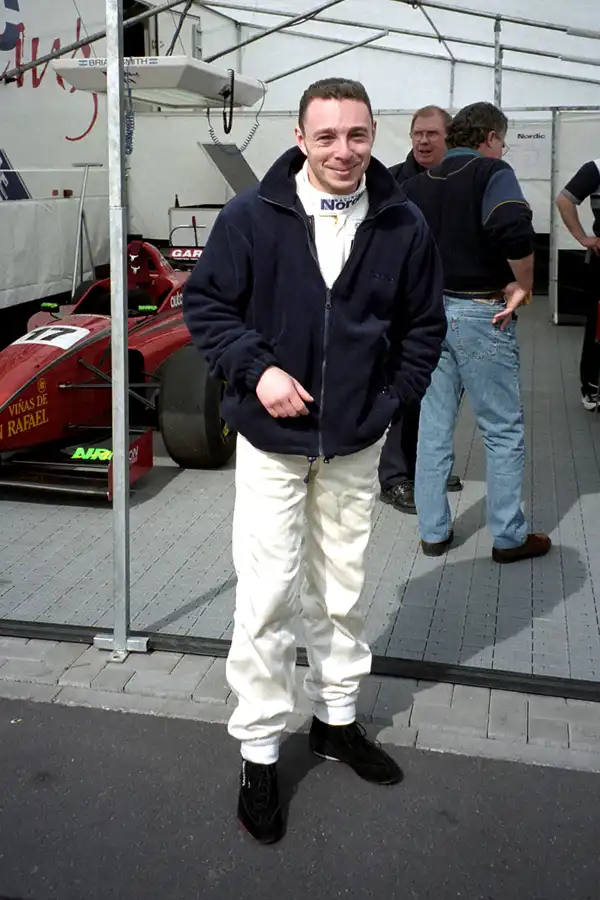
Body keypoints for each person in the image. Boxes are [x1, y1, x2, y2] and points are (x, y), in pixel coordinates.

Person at [182, 77, 446, 844]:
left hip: (355, 443)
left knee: (342, 587)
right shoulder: (252, 215)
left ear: (374, 135)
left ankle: (335, 720)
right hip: (271, 442)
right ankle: (260, 751)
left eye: (357, 135)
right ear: (300, 137)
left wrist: (390, 396)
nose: (343, 151)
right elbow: (208, 306)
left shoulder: (401, 222)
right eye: (326, 136)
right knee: (265, 595)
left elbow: (423, 325)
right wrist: (255, 370)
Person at [405, 101, 551, 564]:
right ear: (489, 137)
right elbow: (513, 227)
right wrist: (523, 288)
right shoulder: (492, 173)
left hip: (430, 317)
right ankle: (508, 536)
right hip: (482, 314)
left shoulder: (416, 186)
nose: (503, 148)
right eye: (502, 140)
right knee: (502, 429)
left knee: (434, 425)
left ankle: (433, 531)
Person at [380, 105, 462, 512]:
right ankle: (395, 477)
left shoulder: (462, 180)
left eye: (432, 134)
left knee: (445, 392)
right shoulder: (393, 182)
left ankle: (429, 465)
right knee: (410, 391)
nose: (424, 141)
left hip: (453, 300)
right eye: (418, 134)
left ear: (450, 137)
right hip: (406, 306)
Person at [556, 160, 600, 410]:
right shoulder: (596, 168)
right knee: (598, 324)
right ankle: (592, 387)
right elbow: (564, 200)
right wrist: (583, 237)